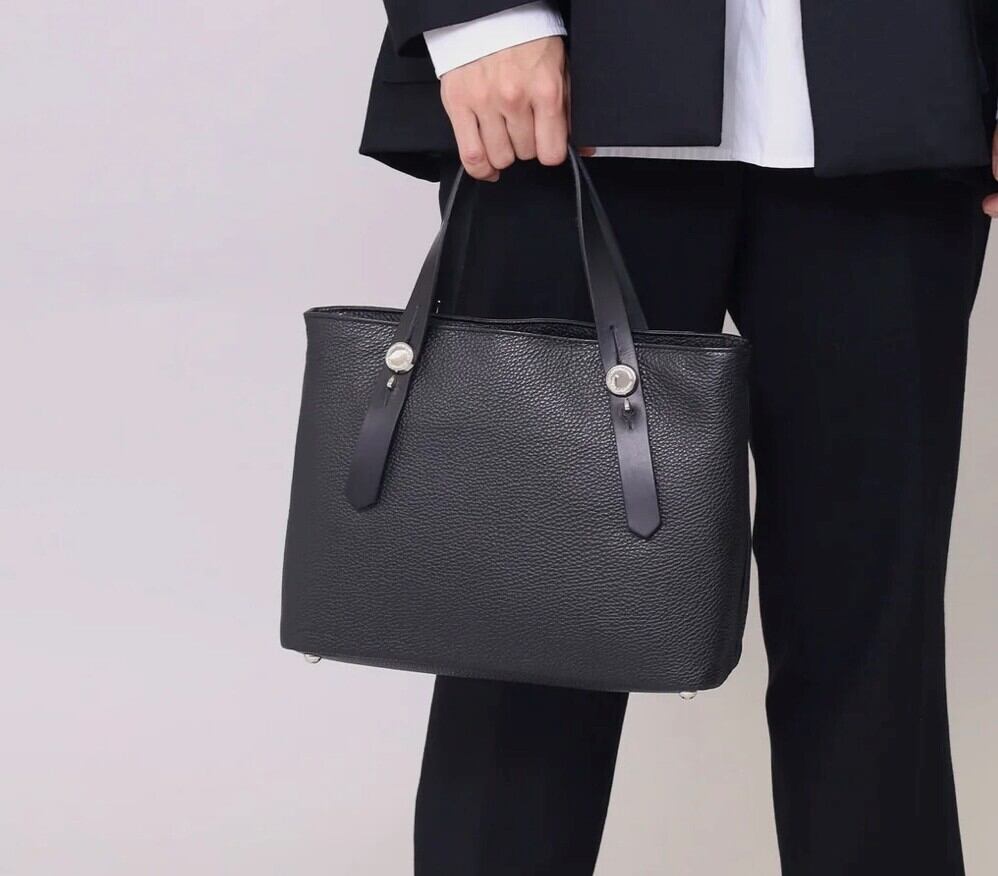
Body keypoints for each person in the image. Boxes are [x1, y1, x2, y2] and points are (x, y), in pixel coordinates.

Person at [360, 3, 998, 873]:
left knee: (879, 638)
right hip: (570, 95)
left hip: (900, 97)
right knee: (524, 631)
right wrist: (483, 17)